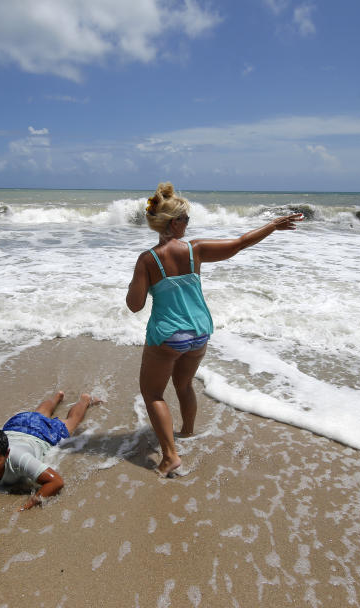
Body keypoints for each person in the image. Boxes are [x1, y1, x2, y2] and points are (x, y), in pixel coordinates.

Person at [126, 183, 303, 477]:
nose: (188, 224)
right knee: (184, 385)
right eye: (186, 219)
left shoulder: (148, 259)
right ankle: (187, 432)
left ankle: (170, 456)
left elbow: (134, 305)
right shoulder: (196, 250)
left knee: (153, 393)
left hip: (168, 335)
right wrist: (273, 225)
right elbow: (241, 242)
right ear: (174, 222)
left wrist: (138, 278)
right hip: (200, 333)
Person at [0, 391, 101, 511]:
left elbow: (56, 482)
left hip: (40, 433)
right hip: (15, 426)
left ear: (7, 454)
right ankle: (57, 397)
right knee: (38, 414)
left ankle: (84, 400)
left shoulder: (17, 458)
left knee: (70, 423)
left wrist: (32, 502)